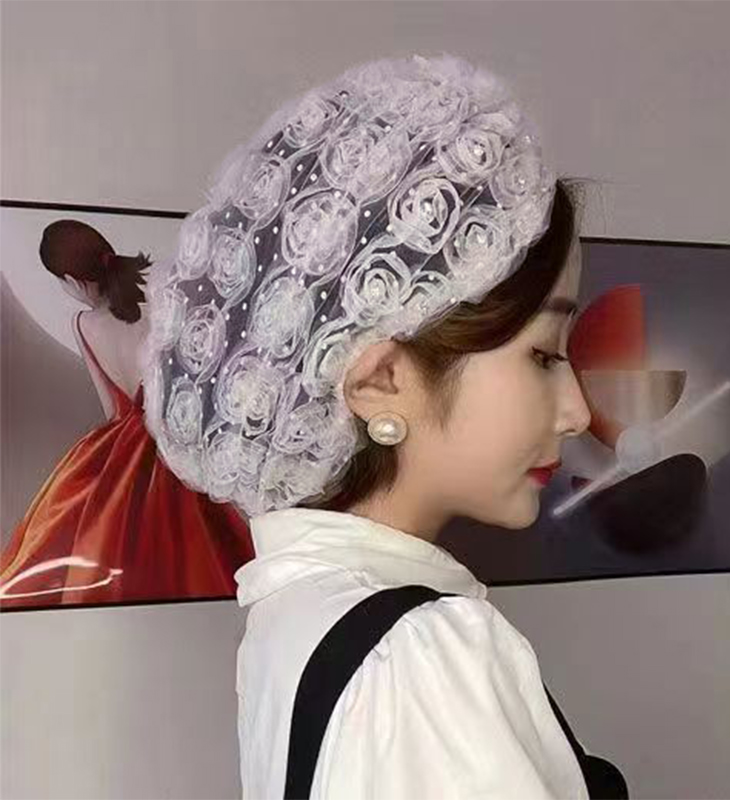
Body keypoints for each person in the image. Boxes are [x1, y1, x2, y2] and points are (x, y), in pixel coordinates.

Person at [141, 53, 628, 798]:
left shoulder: (300, 607)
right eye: (543, 355)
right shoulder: (416, 653)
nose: (578, 412)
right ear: (380, 382)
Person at [0, 220, 254, 608]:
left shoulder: (83, 324)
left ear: (74, 281)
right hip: (179, 437)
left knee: (114, 539)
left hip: (124, 448)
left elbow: (112, 410)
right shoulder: (164, 304)